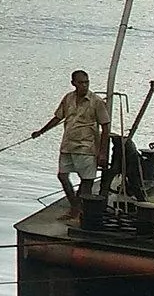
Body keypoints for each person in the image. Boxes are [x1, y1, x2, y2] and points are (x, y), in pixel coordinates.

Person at [32, 69, 110, 213]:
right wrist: (41, 131)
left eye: (86, 82)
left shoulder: (96, 101)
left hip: (86, 146)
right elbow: (58, 117)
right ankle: (75, 205)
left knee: (86, 180)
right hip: (68, 145)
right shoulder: (68, 98)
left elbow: (105, 127)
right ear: (73, 83)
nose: (84, 85)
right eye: (81, 83)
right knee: (62, 176)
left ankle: (81, 211)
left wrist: (103, 153)